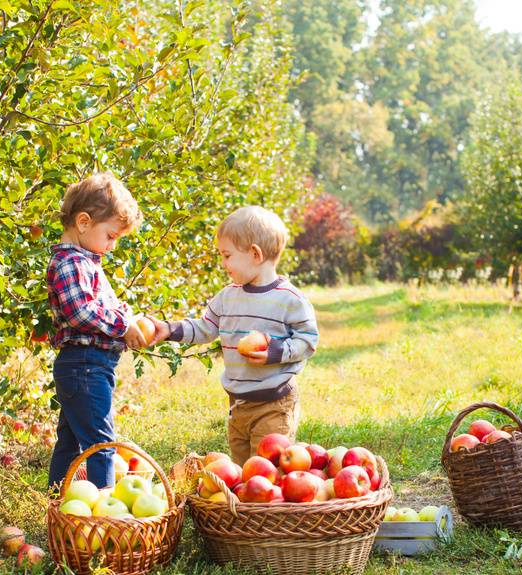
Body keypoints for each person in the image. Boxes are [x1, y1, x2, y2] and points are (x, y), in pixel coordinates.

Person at [149, 205, 318, 465]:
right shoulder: (228, 296)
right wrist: (169, 329)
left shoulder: (290, 299)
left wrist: (274, 352)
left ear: (254, 253)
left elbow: (308, 341)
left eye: (227, 256)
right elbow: (205, 328)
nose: (223, 264)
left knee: (266, 475)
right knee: (242, 474)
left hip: (274, 402)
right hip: (238, 404)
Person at [46, 172, 147, 495]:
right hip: (84, 364)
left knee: (71, 440)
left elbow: (103, 304)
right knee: (101, 444)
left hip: (88, 365)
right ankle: (103, 512)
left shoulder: (87, 261)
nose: (112, 246)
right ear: (84, 222)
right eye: (111, 235)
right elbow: (82, 313)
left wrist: (129, 317)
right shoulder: (70, 263)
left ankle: (56, 501)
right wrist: (124, 326)